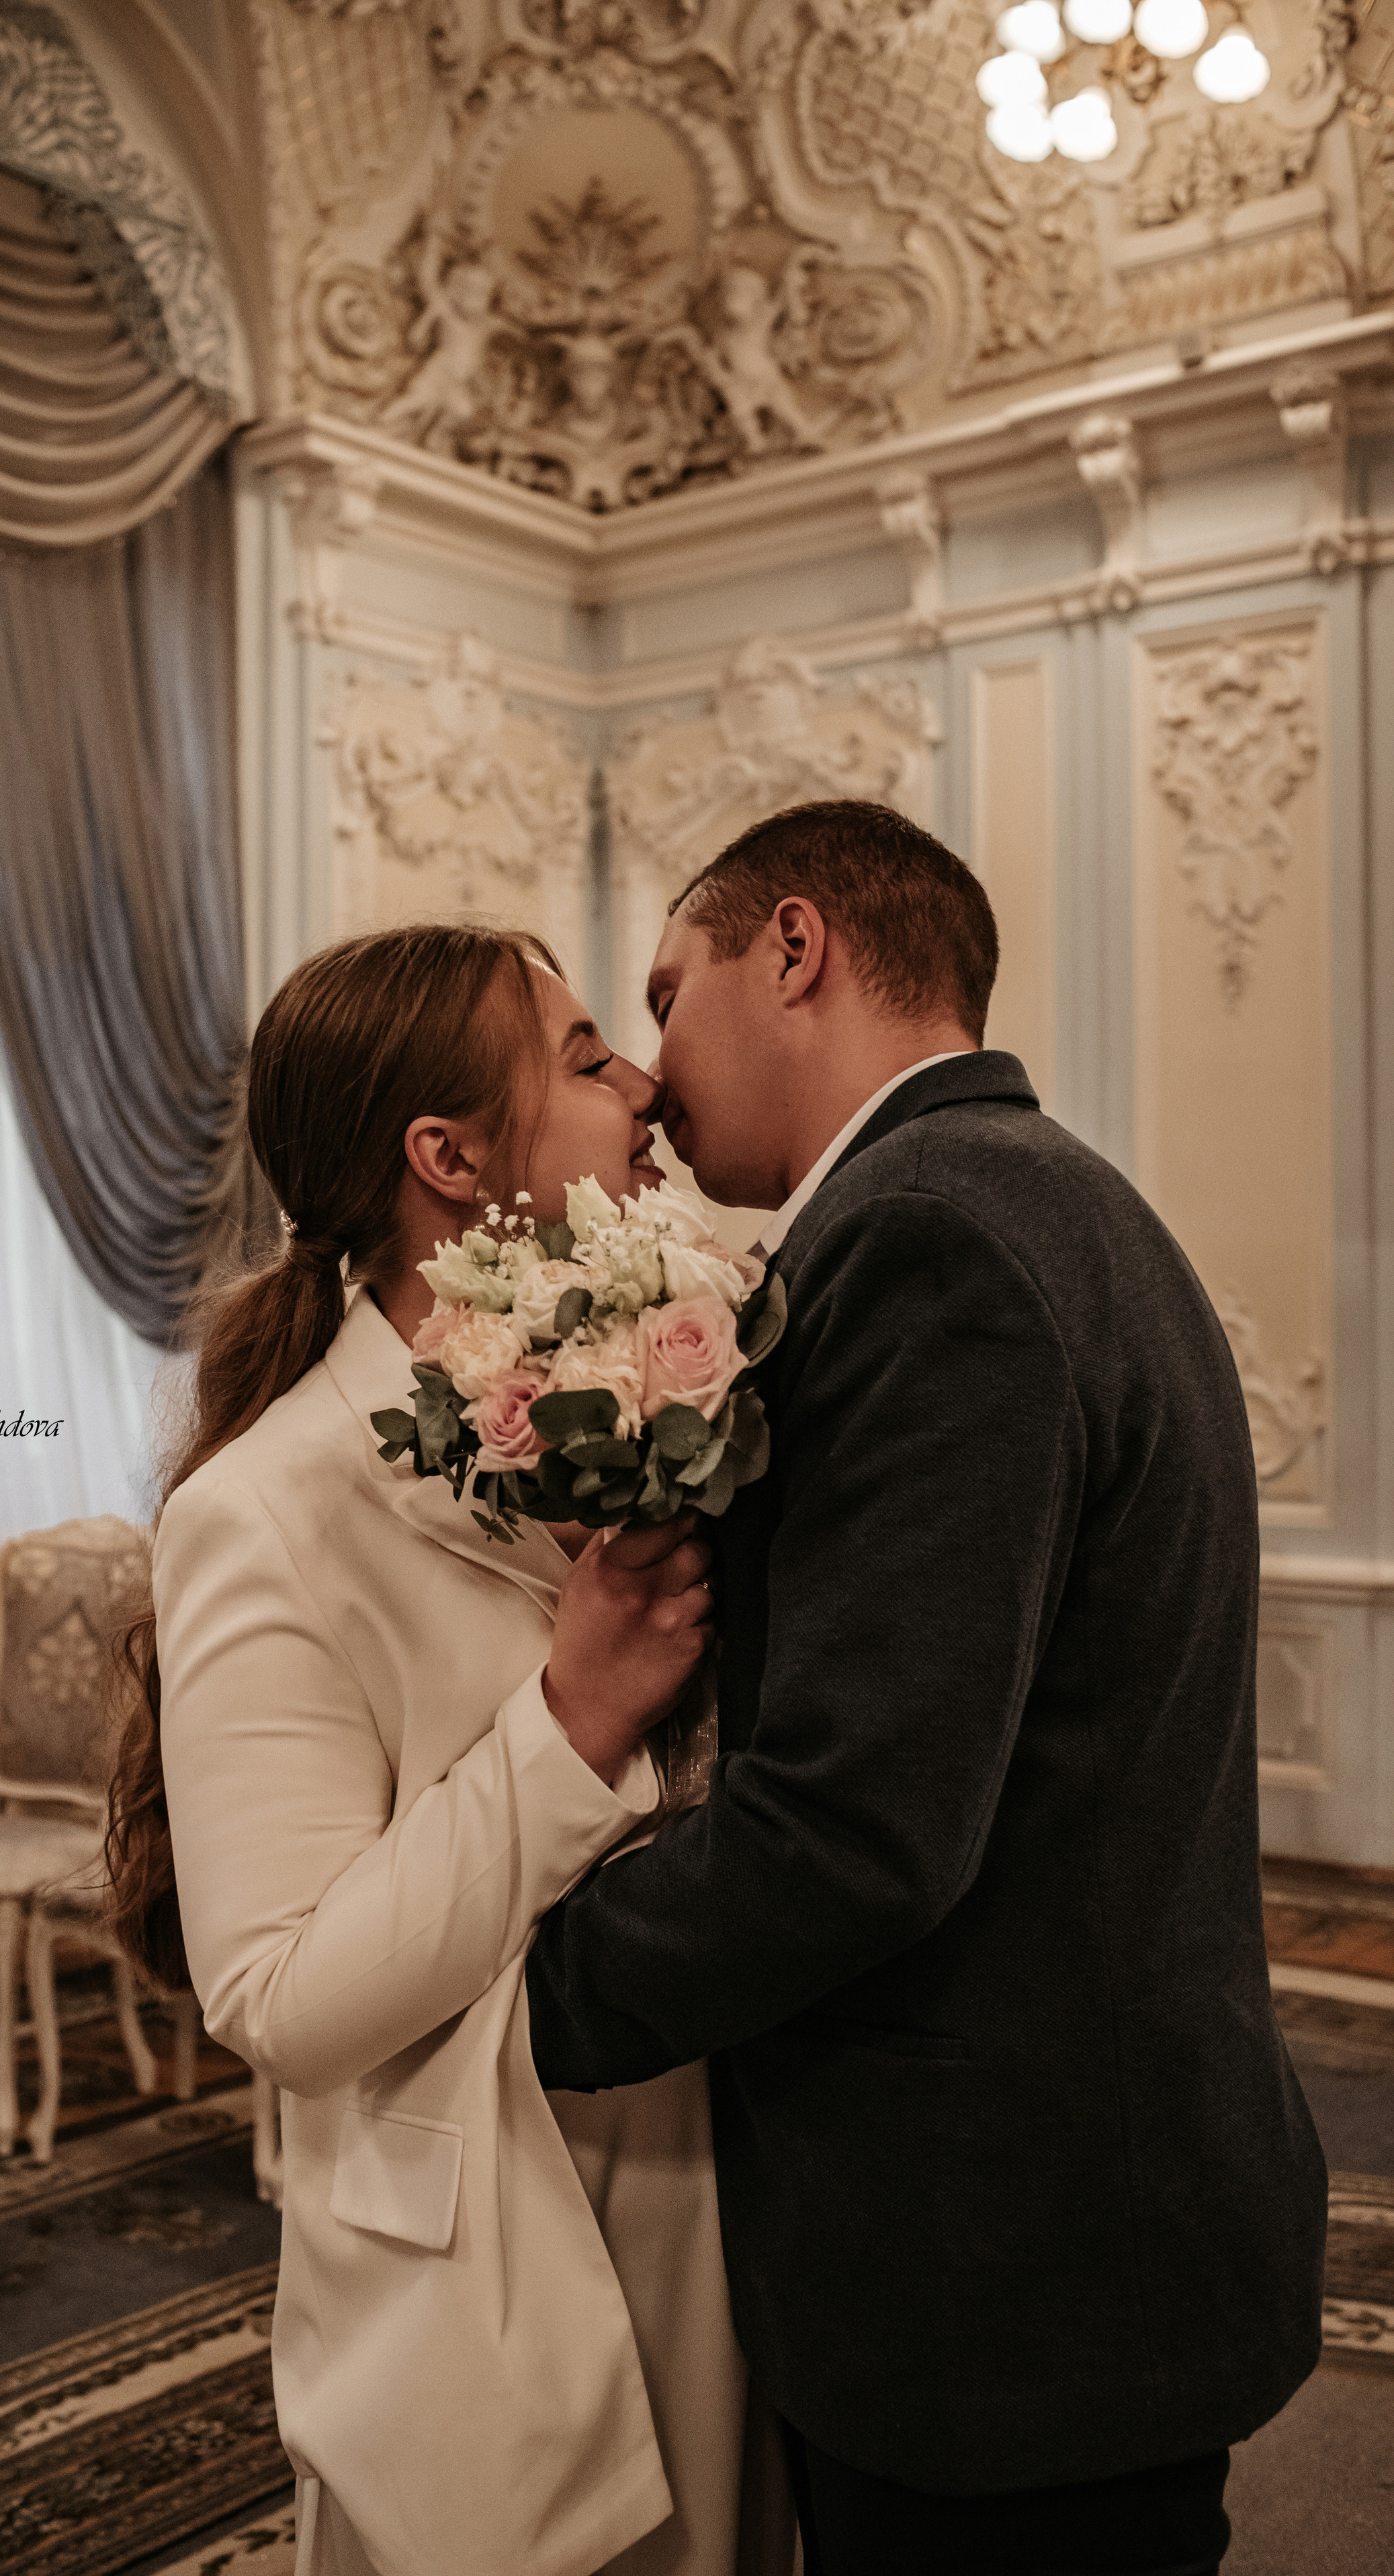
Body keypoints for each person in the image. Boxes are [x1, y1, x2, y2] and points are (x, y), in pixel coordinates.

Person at [525, 799, 1328, 2576]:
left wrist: (515, 1994)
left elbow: (859, 1825)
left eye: (669, 993)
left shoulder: (929, 1233)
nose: (649, 1073)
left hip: (1005, 2260)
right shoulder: (1037, 1191)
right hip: (1075, 2201)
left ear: (794, 947)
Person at [108, 922, 789, 2576]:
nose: (641, 1080)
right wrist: (567, 1729)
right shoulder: (265, 1509)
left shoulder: (635, 1386)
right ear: (448, 1158)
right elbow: (279, 1995)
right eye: (577, 1059)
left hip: (727, 2187)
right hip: (488, 2245)